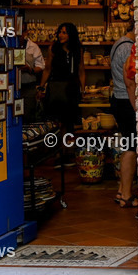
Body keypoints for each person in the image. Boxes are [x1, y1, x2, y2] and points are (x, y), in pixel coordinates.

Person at [38, 22, 85, 167]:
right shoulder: (53, 48)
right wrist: (41, 87)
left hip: (72, 87)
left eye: (64, 32)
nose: (61, 35)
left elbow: (81, 70)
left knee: (69, 122)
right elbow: (47, 69)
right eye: (60, 32)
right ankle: (58, 154)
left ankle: (67, 153)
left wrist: (83, 89)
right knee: (57, 122)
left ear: (71, 34)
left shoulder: (78, 49)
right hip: (56, 87)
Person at [110, 23, 137, 208]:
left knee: (128, 145)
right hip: (126, 100)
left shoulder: (118, 43)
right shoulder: (128, 47)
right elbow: (130, 82)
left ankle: (121, 190)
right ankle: (126, 196)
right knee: (131, 148)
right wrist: (136, 107)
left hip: (118, 99)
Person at [18, 23, 45, 123]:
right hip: (11, 86)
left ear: (26, 32)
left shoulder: (33, 47)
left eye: (21, 32)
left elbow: (41, 66)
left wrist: (30, 69)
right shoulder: (7, 44)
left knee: (28, 115)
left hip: (28, 87)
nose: (19, 34)